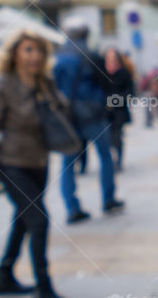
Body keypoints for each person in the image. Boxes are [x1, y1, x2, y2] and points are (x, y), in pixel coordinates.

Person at [0, 28, 65, 298]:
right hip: (12, 163)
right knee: (39, 221)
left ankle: (3, 276)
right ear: (14, 53)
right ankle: (44, 286)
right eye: (28, 49)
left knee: (23, 220)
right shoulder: (1, 84)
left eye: (39, 50)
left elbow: (61, 112)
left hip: (39, 161)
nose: (34, 56)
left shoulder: (45, 83)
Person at [52, 17, 124, 223]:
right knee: (105, 156)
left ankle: (72, 207)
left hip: (67, 116)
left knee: (67, 163)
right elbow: (106, 85)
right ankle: (108, 199)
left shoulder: (57, 57)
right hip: (93, 115)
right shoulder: (92, 56)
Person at [105, 49, 136, 171]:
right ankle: (111, 159)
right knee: (107, 138)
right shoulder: (103, 72)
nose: (111, 61)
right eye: (109, 58)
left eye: (113, 59)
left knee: (117, 137)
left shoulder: (124, 73)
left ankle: (118, 160)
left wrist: (115, 100)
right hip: (106, 112)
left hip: (119, 111)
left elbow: (130, 92)